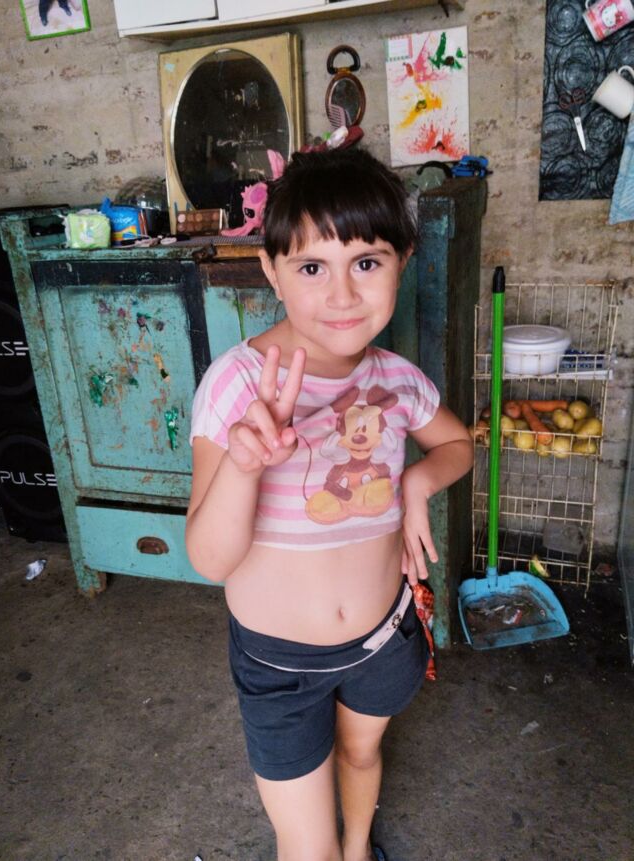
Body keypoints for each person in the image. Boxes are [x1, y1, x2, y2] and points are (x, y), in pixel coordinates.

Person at [185, 147, 473, 861]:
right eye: (313, 267)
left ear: (402, 261)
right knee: (305, 847)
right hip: (278, 666)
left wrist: (415, 483)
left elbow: (458, 444)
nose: (342, 294)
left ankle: (360, 847)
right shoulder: (238, 386)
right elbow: (211, 559)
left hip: (382, 639)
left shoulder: (397, 380)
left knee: (362, 754)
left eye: (366, 262)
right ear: (271, 271)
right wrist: (245, 465)